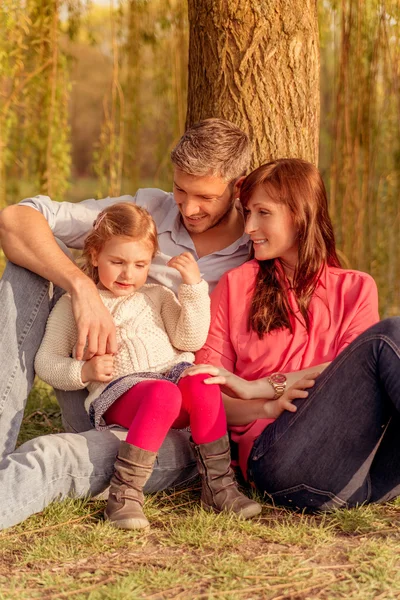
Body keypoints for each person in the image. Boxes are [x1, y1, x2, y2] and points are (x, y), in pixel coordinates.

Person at [0, 118, 254, 530]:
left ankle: (192, 486)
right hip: (102, 390)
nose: (188, 209)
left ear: (237, 186)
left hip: (182, 427)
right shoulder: (144, 212)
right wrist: (82, 289)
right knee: (29, 263)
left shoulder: (256, 247)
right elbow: (17, 219)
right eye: (180, 190)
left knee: (50, 459)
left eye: (204, 197)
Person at [183, 158, 400, 511]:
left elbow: (350, 381)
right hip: (282, 462)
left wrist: (263, 385)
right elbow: (206, 398)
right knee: (388, 335)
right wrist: (266, 405)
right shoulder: (237, 286)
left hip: (361, 472)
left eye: (263, 213)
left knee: (389, 338)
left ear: (300, 214)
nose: (250, 226)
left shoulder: (356, 288)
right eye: (247, 212)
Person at [34, 202, 262, 528]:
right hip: (122, 394)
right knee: (163, 394)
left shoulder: (157, 295)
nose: (129, 274)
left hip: (172, 380)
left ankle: (219, 487)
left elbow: (189, 340)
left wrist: (193, 288)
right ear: (95, 255)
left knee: (201, 380)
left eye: (140, 264)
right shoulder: (76, 304)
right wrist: (84, 372)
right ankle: (124, 494)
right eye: (118, 262)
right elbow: (47, 361)